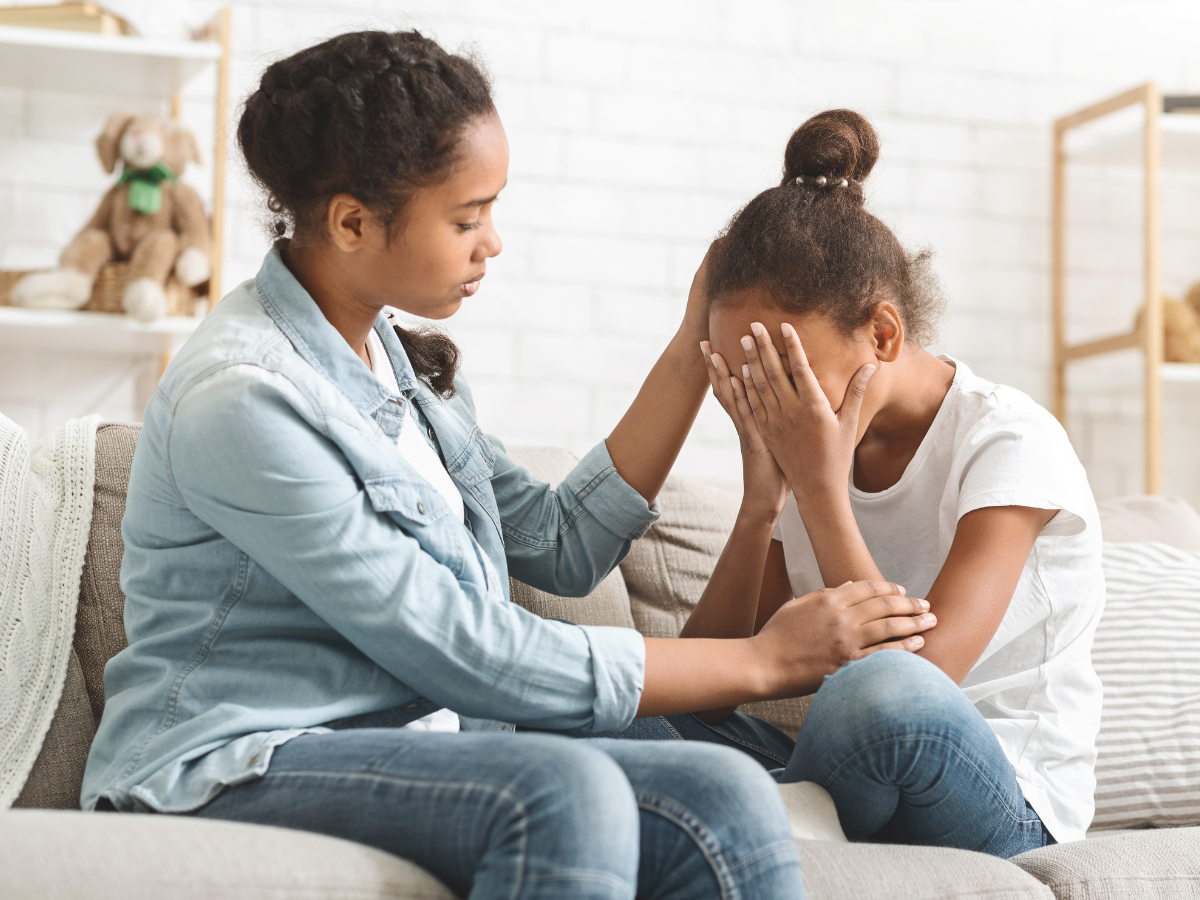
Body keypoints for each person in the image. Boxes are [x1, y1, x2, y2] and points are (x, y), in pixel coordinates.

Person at [80, 33, 936, 900]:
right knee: (564, 792)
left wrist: (691, 344)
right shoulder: (243, 399)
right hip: (236, 762)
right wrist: (765, 659)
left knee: (725, 789)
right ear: (351, 222)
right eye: (465, 217)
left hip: (410, 748)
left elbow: (560, 542)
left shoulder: (398, 368)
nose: (493, 242)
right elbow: (469, 652)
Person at [613, 109, 1104, 858]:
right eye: (748, 376)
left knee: (880, 695)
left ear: (883, 334)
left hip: (1002, 792)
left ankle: (770, 820)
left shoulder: (1008, 440)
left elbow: (924, 681)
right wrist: (760, 509)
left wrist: (818, 489)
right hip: (853, 771)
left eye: (786, 368)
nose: (771, 399)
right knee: (620, 704)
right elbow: (711, 681)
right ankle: (790, 820)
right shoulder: (810, 449)